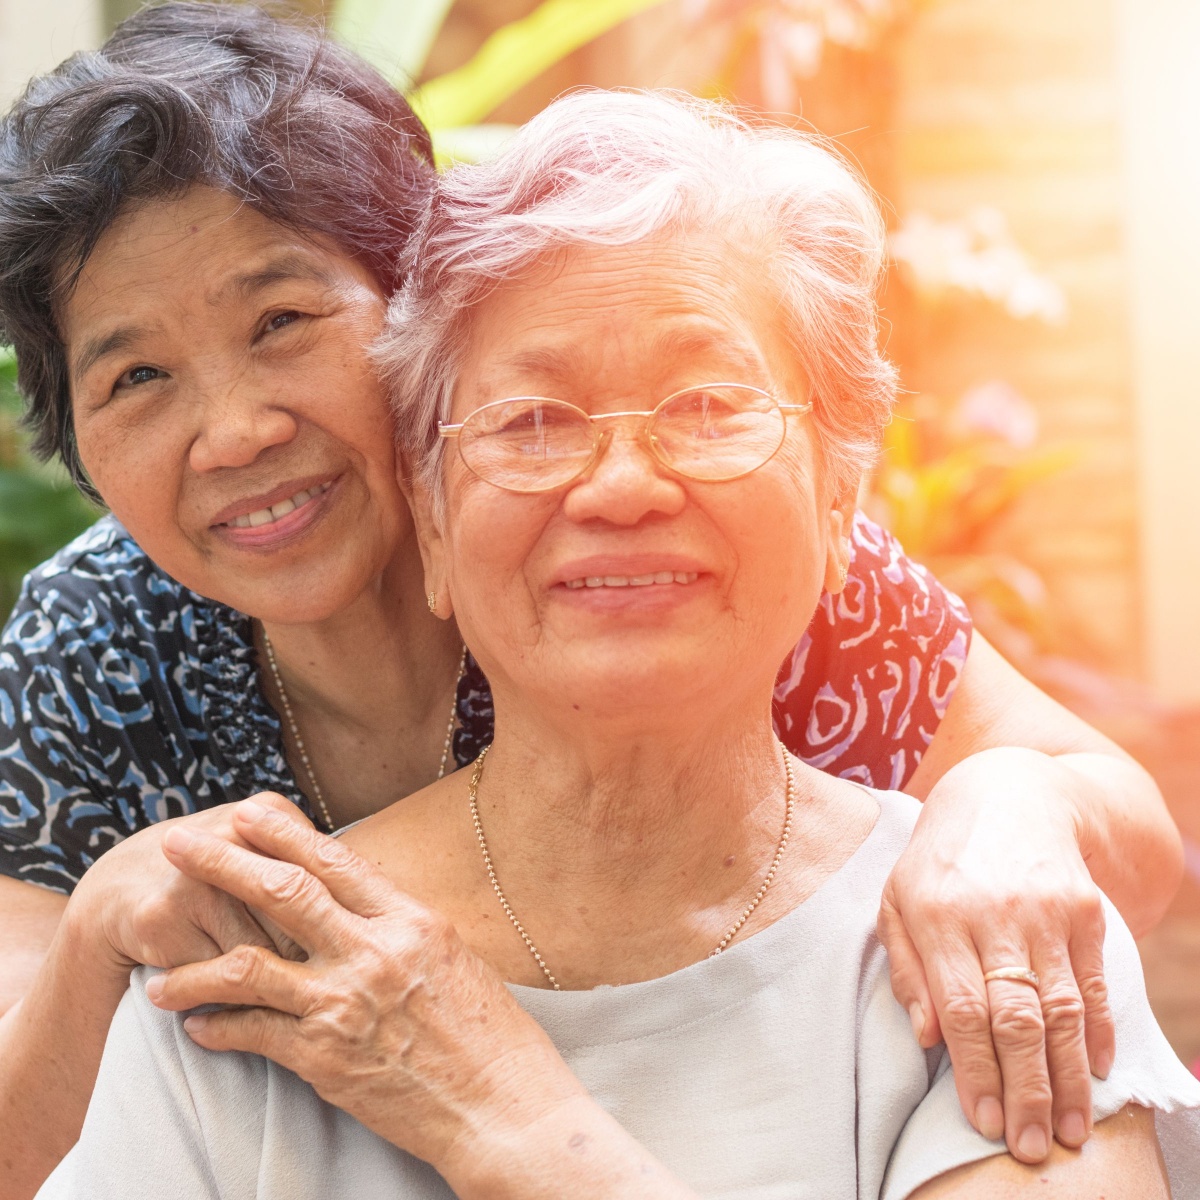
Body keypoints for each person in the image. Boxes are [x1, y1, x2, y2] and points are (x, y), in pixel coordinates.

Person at [0, 4, 1183, 1194]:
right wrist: (102, 920)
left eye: (285, 321)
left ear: (414, 309)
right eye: (136, 374)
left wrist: (1004, 803)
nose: (236, 431)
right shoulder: (91, 647)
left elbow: (1125, 828)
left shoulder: (696, 561)